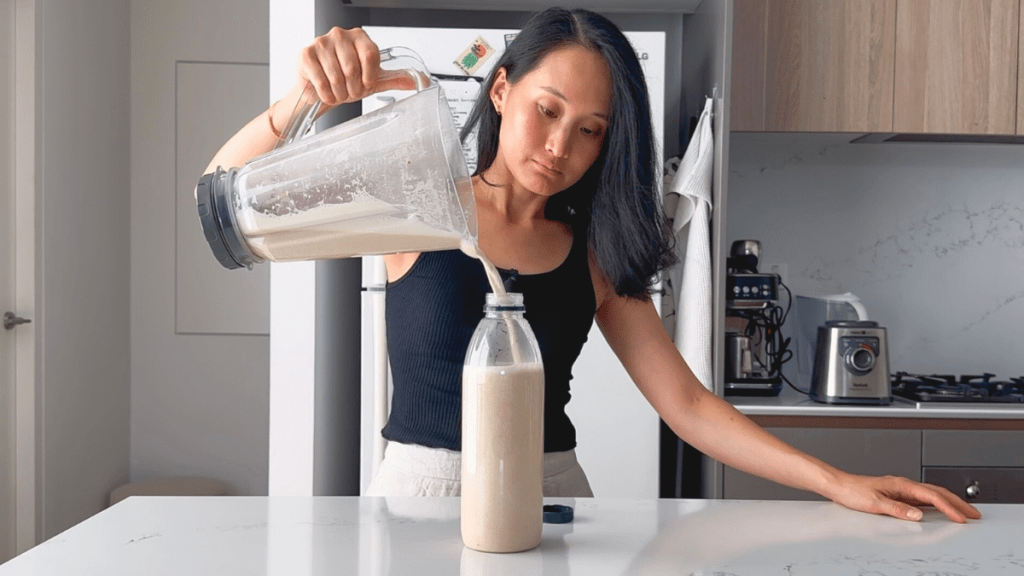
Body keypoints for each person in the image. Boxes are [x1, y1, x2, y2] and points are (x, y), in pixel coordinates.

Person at [204, 7, 981, 523]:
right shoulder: (416, 204)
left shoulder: (594, 251)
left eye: (590, 131)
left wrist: (837, 483)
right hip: (420, 500)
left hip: (553, 499)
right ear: (502, 90)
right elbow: (224, 198)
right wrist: (298, 101)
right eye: (548, 112)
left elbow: (688, 407)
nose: (559, 148)